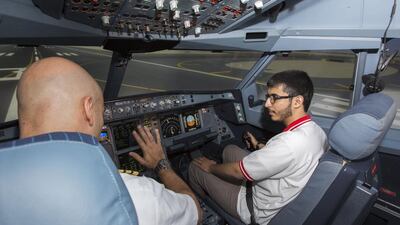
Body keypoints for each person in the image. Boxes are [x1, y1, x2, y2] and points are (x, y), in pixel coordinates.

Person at [17, 57, 202, 225]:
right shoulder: (136, 197)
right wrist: (161, 164)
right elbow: (195, 212)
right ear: (88, 109)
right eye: (101, 110)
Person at [189, 70, 328, 225]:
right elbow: (287, 158)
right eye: (268, 97)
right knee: (230, 150)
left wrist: (211, 168)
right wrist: (258, 146)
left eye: (274, 98)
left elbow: (238, 172)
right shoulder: (316, 131)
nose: (267, 103)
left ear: (297, 101)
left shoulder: (288, 143)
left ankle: (201, 213)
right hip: (277, 189)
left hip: (256, 208)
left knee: (196, 169)